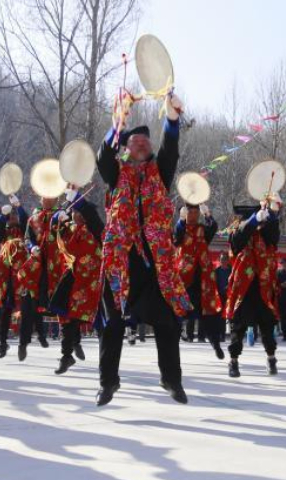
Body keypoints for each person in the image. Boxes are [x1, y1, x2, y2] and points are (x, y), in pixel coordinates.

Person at [95, 93, 191, 406]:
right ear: (125, 148)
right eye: (134, 141)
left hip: (155, 262)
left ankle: (171, 379)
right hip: (121, 260)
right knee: (112, 325)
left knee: (167, 321)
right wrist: (117, 122)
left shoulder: (159, 172)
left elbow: (170, 151)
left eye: (145, 142)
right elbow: (102, 158)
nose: (141, 144)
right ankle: (108, 383)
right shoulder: (116, 173)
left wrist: (172, 119)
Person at [48, 188, 104, 374]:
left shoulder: (95, 229)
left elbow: (89, 212)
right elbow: (60, 240)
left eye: (77, 211)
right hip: (74, 276)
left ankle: (107, 362)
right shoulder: (73, 229)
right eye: (73, 212)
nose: (75, 215)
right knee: (66, 315)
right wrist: (59, 222)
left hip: (92, 281)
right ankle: (67, 355)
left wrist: (75, 196)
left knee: (102, 323)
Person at [225, 198, 282, 378]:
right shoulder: (237, 232)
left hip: (263, 287)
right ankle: (233, 361)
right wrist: (253, 220)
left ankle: (271, 358)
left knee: (267, 326)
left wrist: (273, 213)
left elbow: (274, 235)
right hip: (243, 288)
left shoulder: (266, 234)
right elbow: (238, 239)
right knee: (238, 326)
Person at [173, 203, 223, 357]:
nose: (193, 215)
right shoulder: (182, 229)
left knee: (207, 314)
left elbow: (213, 227)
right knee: (178, 312)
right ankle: (172, 345)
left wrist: (208, 214)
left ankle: (215, 344)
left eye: (196, 212)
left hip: (202, 277)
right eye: (190, 212)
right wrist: (180, 220)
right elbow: (176, 237)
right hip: (184, 277)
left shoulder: (202, 228)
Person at [22, 196, 65, 358]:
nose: (48, 200)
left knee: (63, 296)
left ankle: (68, 340)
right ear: (40, 199)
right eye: (45, 198)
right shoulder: (33, 218)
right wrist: (32, 247)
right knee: (32, 295)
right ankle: (35, 334)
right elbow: (27, 238)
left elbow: (70, 232)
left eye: (51, 198)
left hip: (58, 261)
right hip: (39, 261)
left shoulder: (61, 214)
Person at [0, 196, 28, 358]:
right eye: (11, 215)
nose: (14, 217)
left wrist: (18, 205)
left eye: (15, 215)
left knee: (23, 311)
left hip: (21, 277)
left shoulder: (23, 231)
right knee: (5, 312)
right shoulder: (4, 234)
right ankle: (2, 343)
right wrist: (2, 214)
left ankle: (22, 343)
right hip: (5, 278)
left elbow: (26, 220)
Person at [214, 251, 232, 343]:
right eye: (222, 259)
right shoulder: (216, 271)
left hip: (230, 296)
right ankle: (221, 335)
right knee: (220, 316)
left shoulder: (231, 270)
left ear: (228, 260)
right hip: (219, 296)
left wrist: (229, 287)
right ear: (219, 260)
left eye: (225, 259)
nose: (223, 261)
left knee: (230, 315)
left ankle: (234, 335)